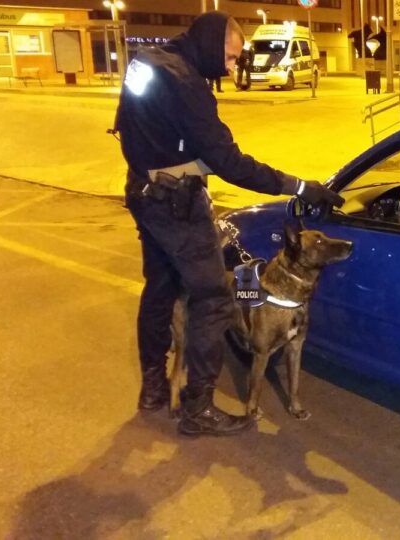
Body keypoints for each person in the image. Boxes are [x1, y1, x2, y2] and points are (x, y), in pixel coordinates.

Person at [114, 11, 344, 437]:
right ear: (209, 42)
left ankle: (153, 389)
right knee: (215, 300)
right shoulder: (187, 84)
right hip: (176, 205)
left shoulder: (144, 62)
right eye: (231, 56)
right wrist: (297, 186)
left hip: (143, 192)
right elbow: (230, 163)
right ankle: (197, 407)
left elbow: (128, 127)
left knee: (160, 289)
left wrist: (165, 159)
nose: (233, 66)